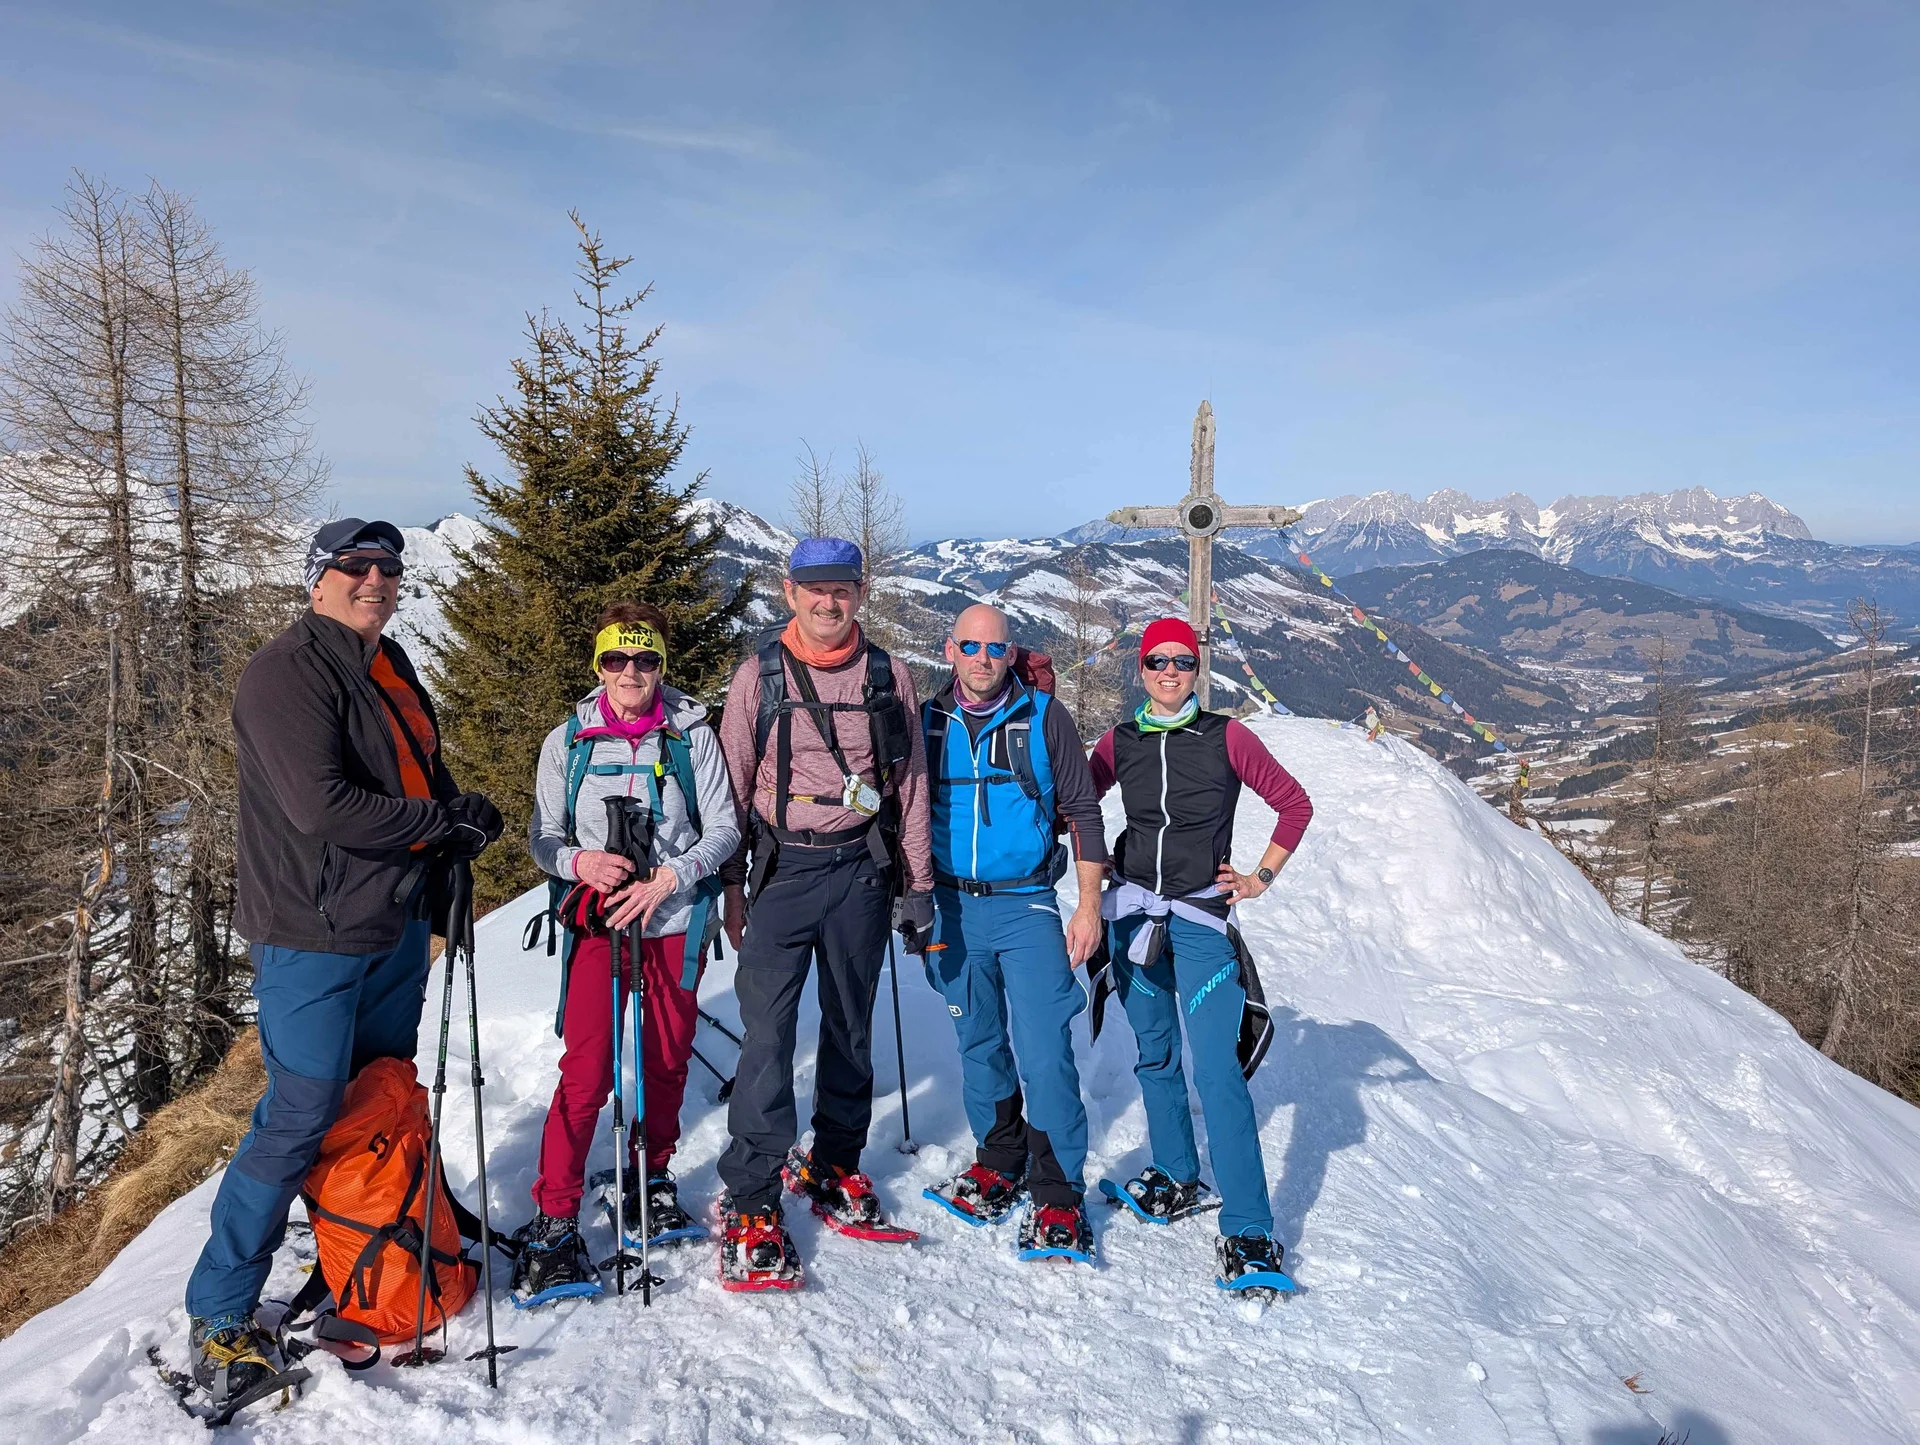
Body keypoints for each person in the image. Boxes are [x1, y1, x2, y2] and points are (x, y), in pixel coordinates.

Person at [184, 519, 502, 1405]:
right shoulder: (286, 671)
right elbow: (321, 806)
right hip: (311, 930)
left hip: (390, 922)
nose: (374, 578)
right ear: (318, 578)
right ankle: (218, 1307)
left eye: (387, 567)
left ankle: (368, 1235)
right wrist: (440, 825)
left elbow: (418, 776)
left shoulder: (386, 663)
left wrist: (459, 810)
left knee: (378, 1093)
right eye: (354, 566)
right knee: (300, 1109)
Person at [714, 537, 933, 1291]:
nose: (828, 602)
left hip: (860, 872)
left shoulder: (887, 676)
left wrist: (917, 884)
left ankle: (836, 1158)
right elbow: (733, 786)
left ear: (860, 592)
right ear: (789, 591)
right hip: (780, 870)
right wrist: (732, 886)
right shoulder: (758, 677)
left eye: (841, 589)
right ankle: (750, 1191)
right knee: (769, 1033)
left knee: (849, 1023)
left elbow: (908, 787)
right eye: (814, 589)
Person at [511, 602, 741, 1304]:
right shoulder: (569, 741)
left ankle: (652, 1172)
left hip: (672, 924)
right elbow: (542, 834)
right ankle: (556, 1212)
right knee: (586, 1071)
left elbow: (725, 827)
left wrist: (675, 875)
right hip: (597, 927)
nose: (631, 672)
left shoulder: (691, 735)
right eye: (617, 658)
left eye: (645, 659)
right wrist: (582, 863)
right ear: (598, 664)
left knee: (667, 1060)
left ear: (661, 665)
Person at [1087, 617, 1313, 1290]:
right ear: (1141, 667)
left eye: (1181, 662)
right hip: (1132, 915)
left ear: (1197, 669)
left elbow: (1293, 804)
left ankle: (1248, 1228)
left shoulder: (1226, 736)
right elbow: (1076, 801)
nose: (1168, 672)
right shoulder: (1119, 741)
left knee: (1217, 1071)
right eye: (1157, 661)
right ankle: (1179, 1173)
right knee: (1154, 1053)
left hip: (1199, 921)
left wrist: (1258, 878)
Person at [918, 605, 1109, 1262]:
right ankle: (999, 1157)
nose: (981, 657)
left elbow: (1083, 810)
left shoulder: (1043, 718)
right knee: (976, 1040)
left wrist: (1088, 905)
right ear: (950, 649)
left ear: (1009, 653)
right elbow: (905, 810)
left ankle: (1056, 1186)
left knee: (1044, 1047)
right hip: (951, 907)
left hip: (1026, 904)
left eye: (994, 647)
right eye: (969, 645)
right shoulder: (929, 722)